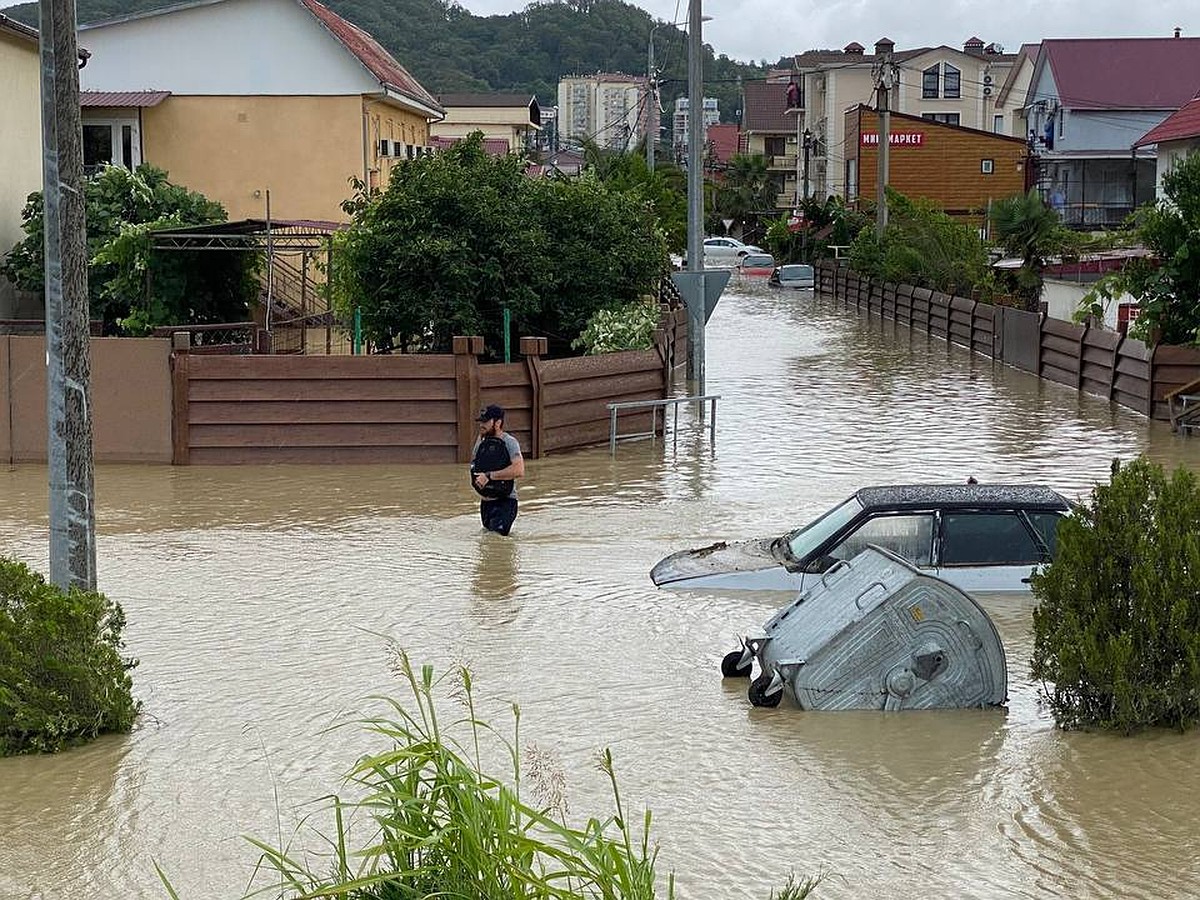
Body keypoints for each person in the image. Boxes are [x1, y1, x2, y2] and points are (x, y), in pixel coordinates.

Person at [470, 404, 525, 536]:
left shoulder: (510, 442)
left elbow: (519, 470)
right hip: (486, 503)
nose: (481, 425)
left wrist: (489, 476)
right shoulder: (480, 442)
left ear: (497, 423)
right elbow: (474, 466)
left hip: (505, 503)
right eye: (481, 421)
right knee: (487, 544)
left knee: (495, 539)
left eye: (486, 421)